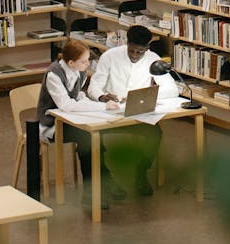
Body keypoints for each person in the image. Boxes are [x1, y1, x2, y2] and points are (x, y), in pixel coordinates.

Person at [87, 24, 179, 196]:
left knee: (154, 134)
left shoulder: (153, 59)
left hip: (137, 114)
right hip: (109, 113)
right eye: (132, 50)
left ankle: (141, 173)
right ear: (127, 44)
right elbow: (94, 87)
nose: (135, 55)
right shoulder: (110, 56)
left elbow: (172, 89)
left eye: (140, 52)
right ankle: (107, 180)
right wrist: (102, 96)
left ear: (147, 48)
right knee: (92, 137)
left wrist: (147, 96)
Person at [37, 38, 119, 212]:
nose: (87, 64)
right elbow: (66, 105)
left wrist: (94, 101)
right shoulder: (53, 74)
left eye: (88, 60)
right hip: (51, 123)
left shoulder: (80, 71)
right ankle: (95, 192)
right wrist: (101, 106)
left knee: (97, 134)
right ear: (71, 62)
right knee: (87, 137)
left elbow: (78, 95)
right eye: (84, 61)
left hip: (70, 119)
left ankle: (103, 184)